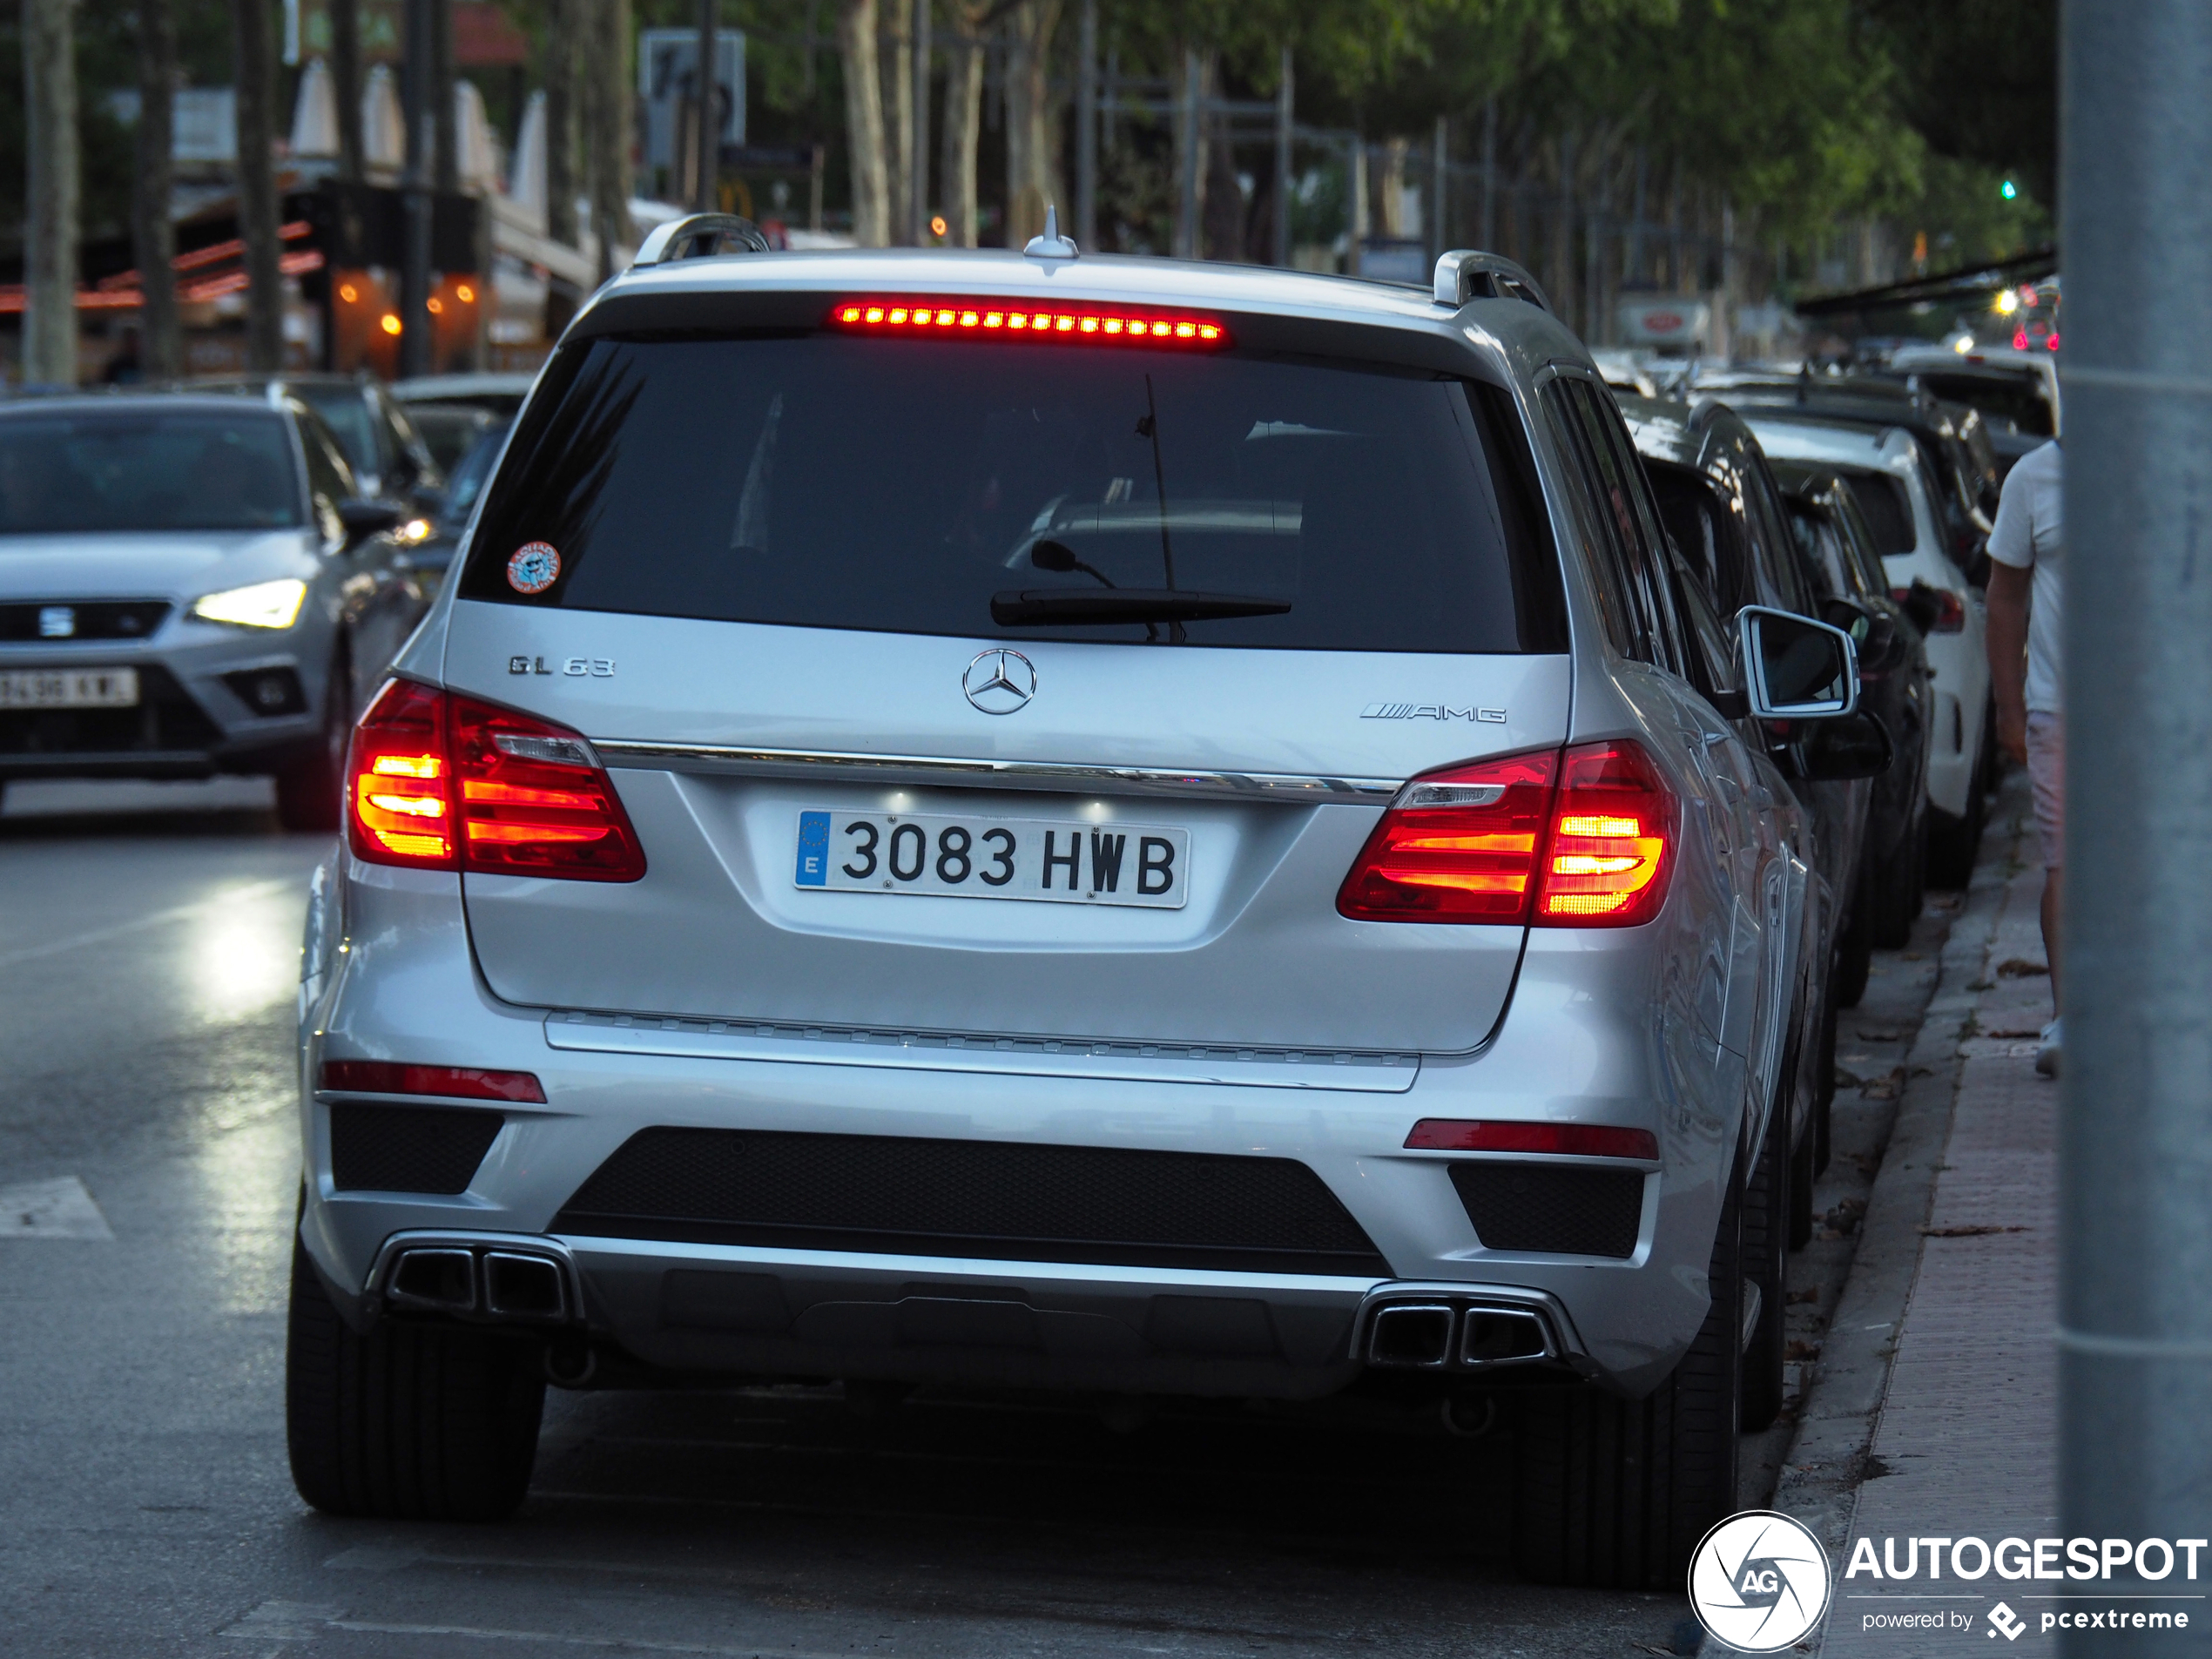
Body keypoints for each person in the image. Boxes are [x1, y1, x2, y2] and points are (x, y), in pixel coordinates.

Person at [1986, 436, 2063, 1076]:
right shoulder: (2032, 479)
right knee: (2068, 866)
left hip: (2154, 718)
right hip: (2060, 711)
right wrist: (2010, 708)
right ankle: (2070, 1016)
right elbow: (2006, 597)